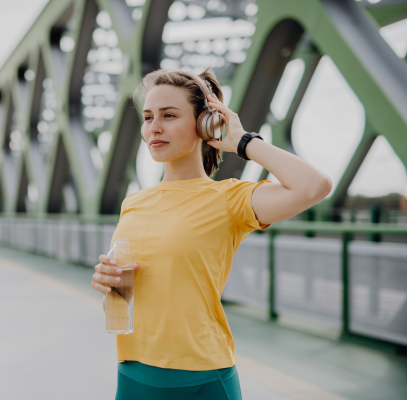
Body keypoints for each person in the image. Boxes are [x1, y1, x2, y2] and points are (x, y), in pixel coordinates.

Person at [90, 68, 332, 400]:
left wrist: (243, 141)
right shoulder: (134, 203)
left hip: (201, 378)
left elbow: (314, 186)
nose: (154, 127)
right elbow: (125, 300)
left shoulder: (228, 200)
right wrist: (111, 288)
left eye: (169, 115)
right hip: (133, 372)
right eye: (148, 117)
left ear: (206, 123)